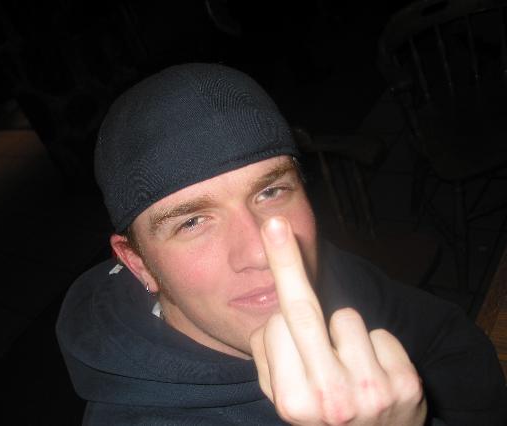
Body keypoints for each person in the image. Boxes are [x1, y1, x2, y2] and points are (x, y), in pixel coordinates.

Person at [56, 63, 506, 425]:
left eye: (270, 192)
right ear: (137, 263)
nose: (262, 253)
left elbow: (445, 339)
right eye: (192, 222)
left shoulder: (323, 270)